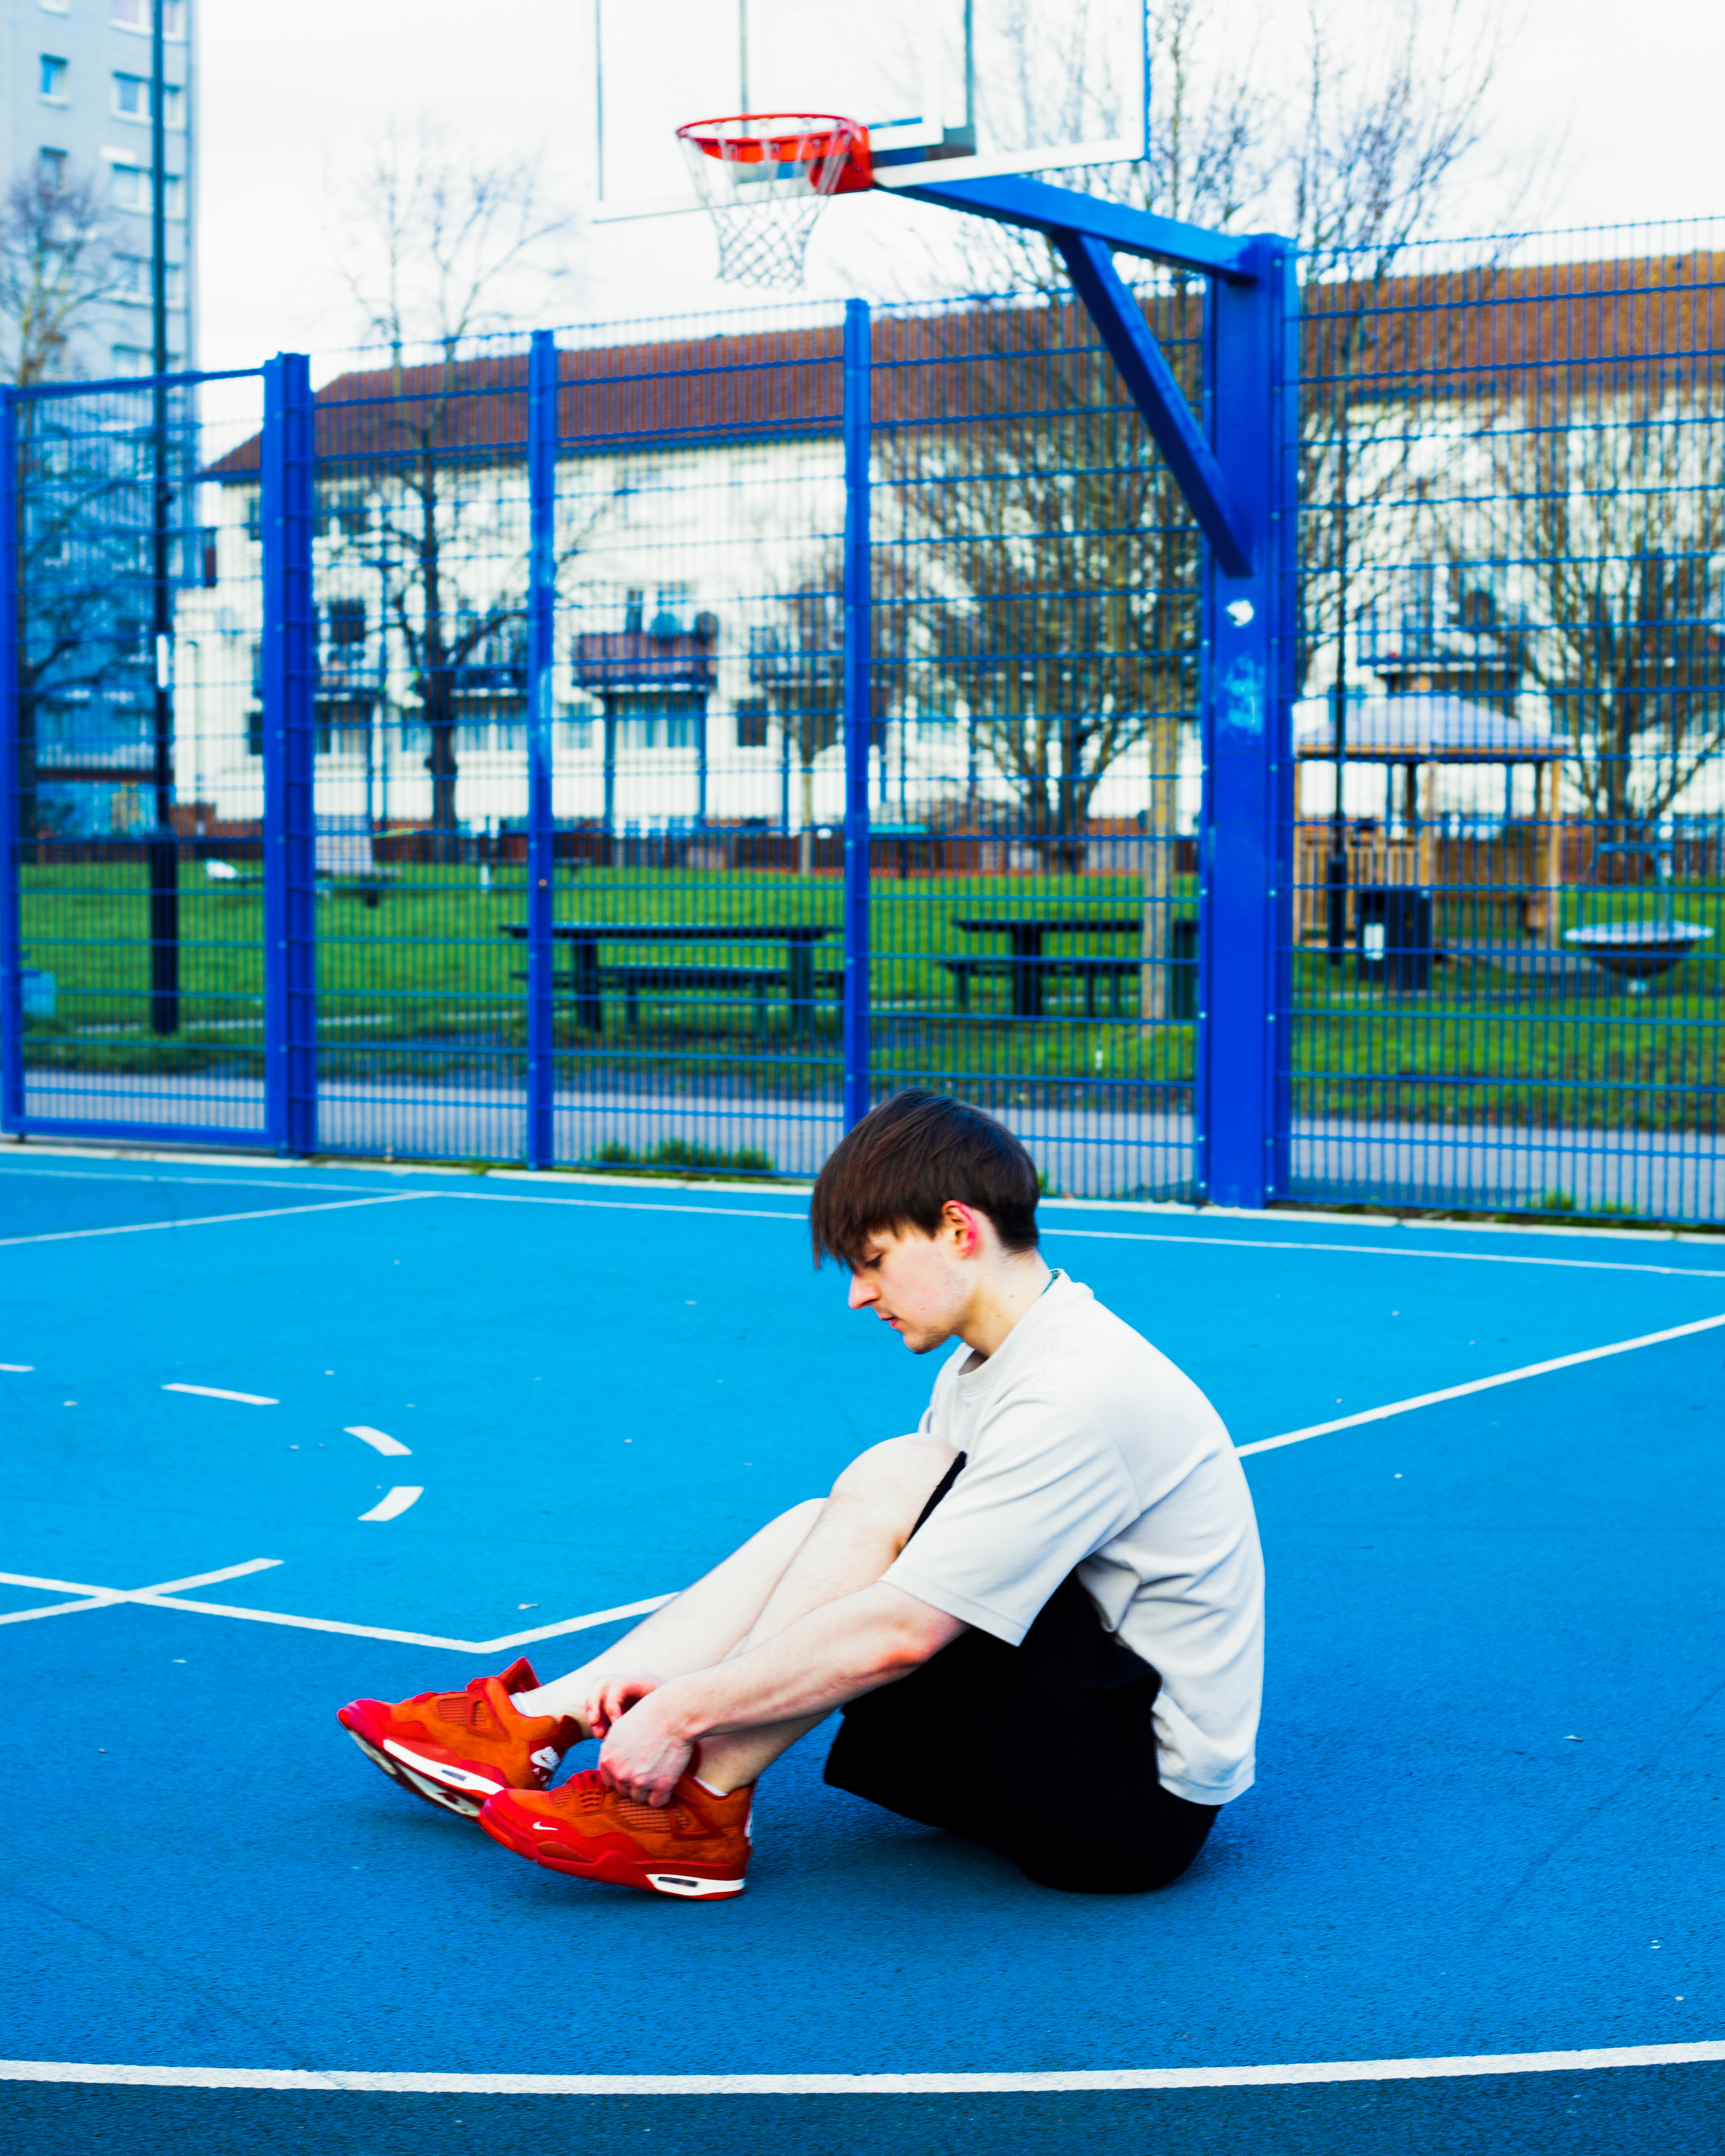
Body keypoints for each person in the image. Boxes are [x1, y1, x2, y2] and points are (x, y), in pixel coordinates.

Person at [338, 1091, 1264, 1902]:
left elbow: (903, 1632)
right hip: (1065, 1736)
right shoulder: (995, 1363)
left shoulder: (1077, 1388)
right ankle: (535, 1726)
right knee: (829, 1517)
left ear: (957, 1228)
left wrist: (684, 1709)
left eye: (871, 1260)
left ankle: (701, 1810)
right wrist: (676, 1684)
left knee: (897, 1476)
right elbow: (882, 1568)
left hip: (1127, 1806)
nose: (860, 1297)